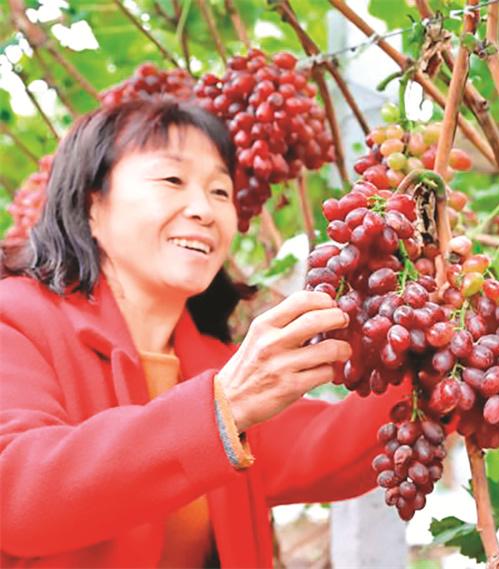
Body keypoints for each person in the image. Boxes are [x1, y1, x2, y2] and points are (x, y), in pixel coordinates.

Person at [0, 99, 405, 567]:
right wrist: (222, 410)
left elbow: (329, 448)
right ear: (93, 204)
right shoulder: (15, 319)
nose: (204, 210)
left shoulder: (214, 363)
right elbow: (16, 495)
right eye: (172, 180)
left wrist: (437, 350)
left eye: (220, 191)